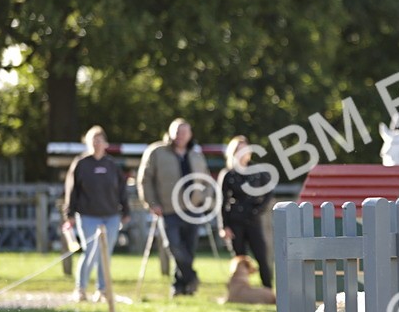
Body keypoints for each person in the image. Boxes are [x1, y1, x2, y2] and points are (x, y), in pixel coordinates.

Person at [138, 118, 210, 297]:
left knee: (189, 248)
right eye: (177, 131)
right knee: (174, 247)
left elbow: (207, 181)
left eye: (184, 132)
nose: (180, 136)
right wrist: (151, 202)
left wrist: (204, 199)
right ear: (170, 133)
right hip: (168, 209)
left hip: (192, 209)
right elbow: (145, 179)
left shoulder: (196, 155)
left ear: (190, 134)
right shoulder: (157, 152)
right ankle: (191, 277)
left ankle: (180, 287)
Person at [62, 126, 129, 302]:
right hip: (88, 215)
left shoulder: (112, 165)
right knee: (90, 252)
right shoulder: (81, 164)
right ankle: (81, 289)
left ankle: (102, 290)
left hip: (111, 215)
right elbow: (72, 190)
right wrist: (69, 213)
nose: (97, 143)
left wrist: (126, 210)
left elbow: (121, 190)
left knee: (105, 255)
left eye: (100, 140)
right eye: (93, 140)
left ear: (105, 143)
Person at [218, 135, 273, 289]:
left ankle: (268, 287)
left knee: (261, 255)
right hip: (235, 220)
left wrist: (258, 209)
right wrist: (224, 226)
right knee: (239, 258)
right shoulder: (228, 175)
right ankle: (240, 288)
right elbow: (222, 202)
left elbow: (268, 193)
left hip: (253, 219)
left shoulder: (258, 171)